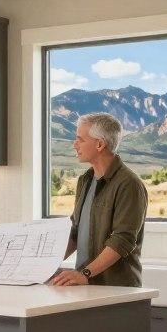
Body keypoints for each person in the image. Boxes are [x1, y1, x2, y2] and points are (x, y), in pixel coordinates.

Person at [51, 113, 147, 288]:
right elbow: (75, 231)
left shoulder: (129, 184)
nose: (74, 145)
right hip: (86, 286)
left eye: (80, 139)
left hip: (115, 289)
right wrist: (47, 265)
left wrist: (85, 274)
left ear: (100, 144)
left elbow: (122, 240)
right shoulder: (85, 181)